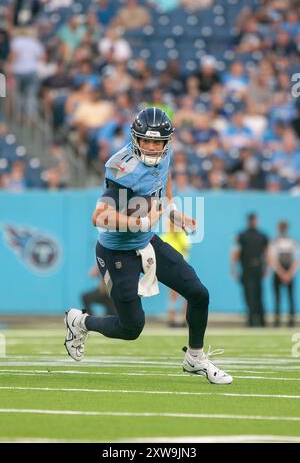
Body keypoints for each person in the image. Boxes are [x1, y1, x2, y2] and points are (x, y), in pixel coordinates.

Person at [64, 107, 232, 385]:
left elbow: (162, 185)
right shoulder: (123, 168)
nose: (153, 147)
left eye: (158, 142)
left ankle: (195, 357)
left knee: (199, 293)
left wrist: (173, 213)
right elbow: (100, 216)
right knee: (131, 328)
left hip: (146, 242)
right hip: (116, 251)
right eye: (147, 141)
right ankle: (79, 321)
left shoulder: (166, 156)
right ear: (135, 139)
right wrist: (142, 222)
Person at [231, 213, 269, 327]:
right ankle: (251, 320)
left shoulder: (262, 236)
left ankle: (261, 320)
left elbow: (266, 253)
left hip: (258, 269)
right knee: (249, 295)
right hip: (246, 269)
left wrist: (267, 268)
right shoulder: (242, 236)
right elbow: (236, 252)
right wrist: (233, 268)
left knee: (259, 295)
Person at [268, 220, 299, 327]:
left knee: (290, 297)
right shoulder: (275, 242)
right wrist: (283, 273)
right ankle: (277, 320)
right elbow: (272, 259)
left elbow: (296, 259)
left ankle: (291, 321)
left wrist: (289, 273)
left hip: (288, 272)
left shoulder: (292, 242)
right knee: (277, 298)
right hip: (279, 272)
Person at [160, 223, 191, 327]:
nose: (172, 227)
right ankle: (171, 319)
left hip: (183, 269)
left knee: (187, 295)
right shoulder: (165, 237)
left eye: (174, 225)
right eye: (170, 225)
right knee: (173, 294)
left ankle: (184, 319)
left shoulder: (182, 236)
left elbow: (186, 249)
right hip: (170, 270)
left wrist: (178, 236)